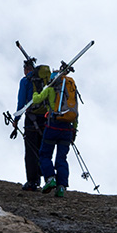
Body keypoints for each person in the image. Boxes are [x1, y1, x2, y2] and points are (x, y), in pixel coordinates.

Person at [31, 70, 79, 198]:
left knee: (45, 154)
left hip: (52, 126)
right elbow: (75, 114)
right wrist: (74, 130)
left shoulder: (50, 89)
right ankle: (61, 187)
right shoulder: (71, 92)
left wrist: (36, 91)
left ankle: (50, 178)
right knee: (62, 158)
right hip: (67, 129)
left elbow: (37, 99)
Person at [16, 61, 50, 191]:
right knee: (44, 150)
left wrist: (16, 119)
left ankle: (32, 181)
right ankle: (48, 178)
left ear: (26, 69)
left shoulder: (26, 81)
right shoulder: (45, 81)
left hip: (31, 119)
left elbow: (21, 102)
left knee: (31, 151)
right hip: (46, 119)